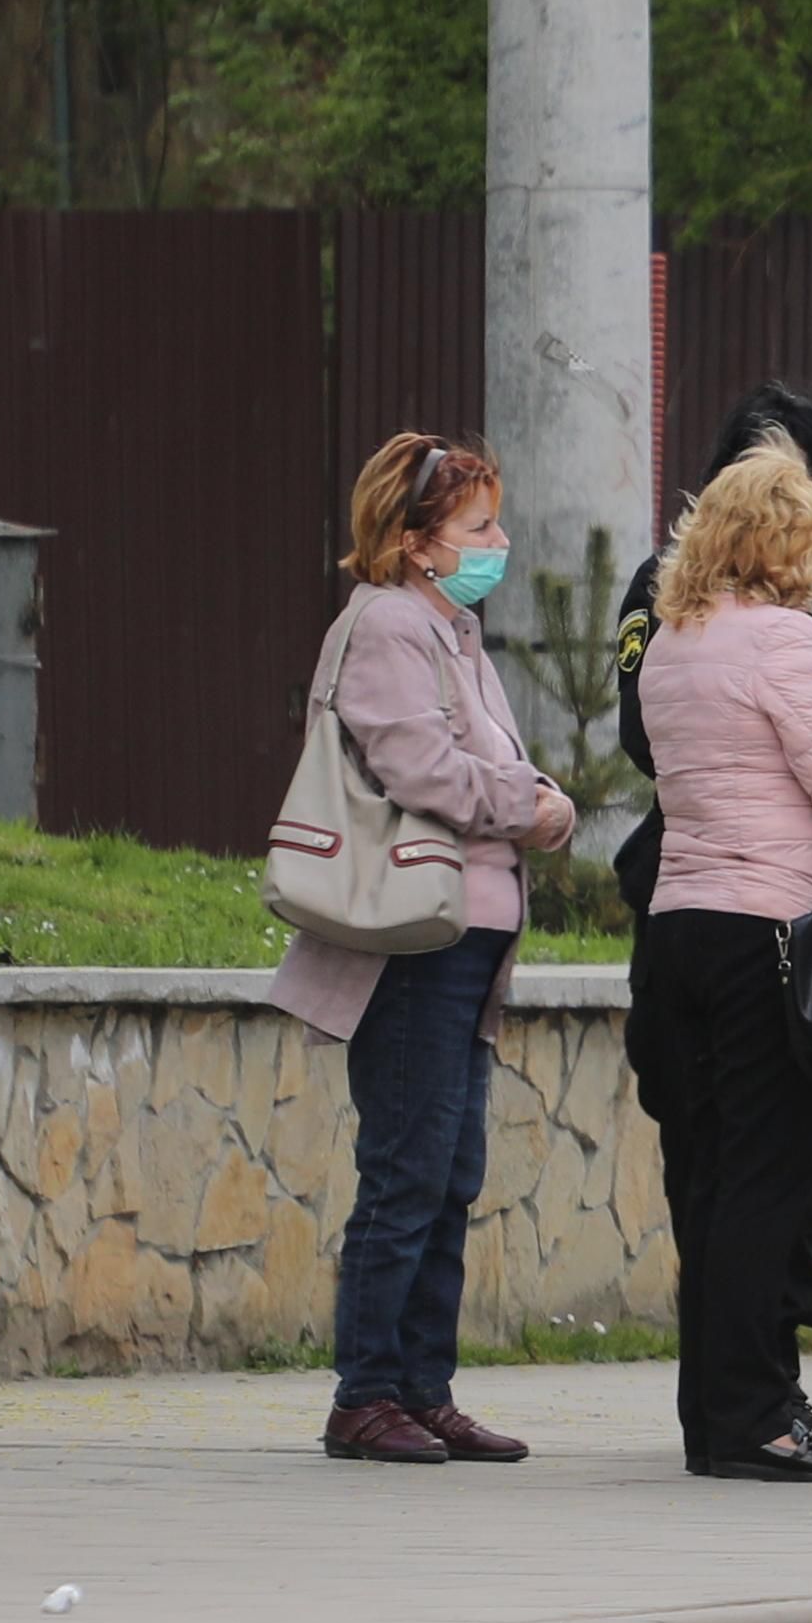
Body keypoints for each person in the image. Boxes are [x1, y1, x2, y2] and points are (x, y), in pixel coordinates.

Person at [609, 379, 812, 1443]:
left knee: (713, 1169)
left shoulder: (678, 640)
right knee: (768, 1176)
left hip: (680, 922)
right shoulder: (789, 642)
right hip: (770, 935)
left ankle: (715, 1405)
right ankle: (755, 1415)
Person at [271, 432, 579, 1467]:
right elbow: (419, 765)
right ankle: (366, 1394)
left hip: (467, 933)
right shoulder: (392, 626)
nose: (498, 542)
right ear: (416, 543)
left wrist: (534, 803)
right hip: (416, 939)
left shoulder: (451, 629)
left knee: (449, 1170)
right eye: (478, 526)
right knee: (407, 1169)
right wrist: (529, 806)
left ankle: (421, 1387)